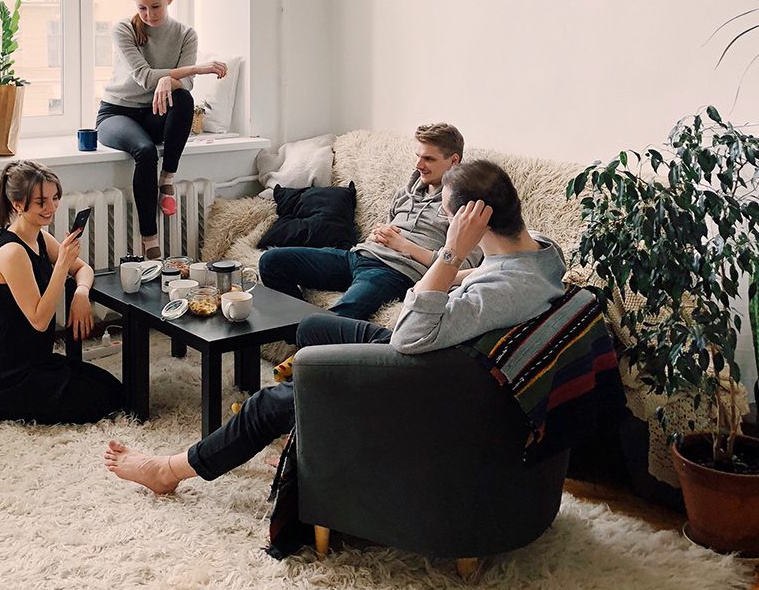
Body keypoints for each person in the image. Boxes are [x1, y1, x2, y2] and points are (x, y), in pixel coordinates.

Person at [103, 159, 567, 493]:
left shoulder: (499, 292)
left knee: (268, 402)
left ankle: (169, 470)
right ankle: (308, 421)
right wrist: (461, 269)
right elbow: (485, 279)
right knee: (313, 329)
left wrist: (449, 254)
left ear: (474, 220)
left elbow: (411, 333)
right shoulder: (541, 252)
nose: (445, 220)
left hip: (422, 373)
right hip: (440, 343)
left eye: (447, 215)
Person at [258, 123, 484, 323]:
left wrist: (403, 246)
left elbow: (460, 266)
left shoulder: (466, 207)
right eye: (418, 156)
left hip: (394, 272)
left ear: (454, 161)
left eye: (429, 159)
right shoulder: (405, 193)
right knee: (271, 261)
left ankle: (308, 343)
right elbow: (389, 229)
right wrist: (377, 236)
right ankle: (297, 334)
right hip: (358, 256)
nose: (418, 164)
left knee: (337, 319)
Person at [0, 160, 125, 424]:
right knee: (98, 402)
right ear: (17, 204)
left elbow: (83, 268)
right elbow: (39, 320)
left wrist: (81, 294)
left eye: (55, 198)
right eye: (41, 202)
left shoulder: (39, 237)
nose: (51, 207)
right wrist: (61, 266)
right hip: (5, 375)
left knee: (113, 389)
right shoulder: (12, 252)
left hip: (36, 360)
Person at [97, 0, 228, 260]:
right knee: (145, 152)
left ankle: (167, 176)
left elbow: (186, 86)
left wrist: (170, 80)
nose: (149, 14)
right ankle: (149, 239)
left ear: (169, 0)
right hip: (117, 113)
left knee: (183, 98)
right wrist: (195, 69)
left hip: (154, 113)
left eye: (155, 6)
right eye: (142, 8)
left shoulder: (185, 34)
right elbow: (145, 77)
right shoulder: (124, 29)